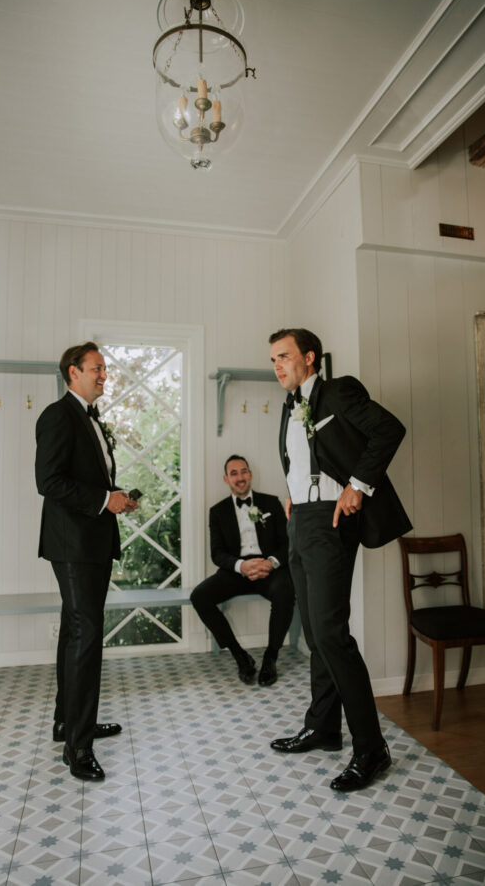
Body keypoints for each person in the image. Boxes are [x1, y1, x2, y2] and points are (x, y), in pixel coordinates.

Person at [268, 328, 411, 792]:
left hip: (331, 522)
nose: (278, 366)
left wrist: (358, 486)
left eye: (284, 356)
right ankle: (323, 728)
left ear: (309, 357)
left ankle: (371, 749)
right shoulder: (289, 405)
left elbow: (389, 429)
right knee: (315, 632)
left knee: (331, 633)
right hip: (299, 521)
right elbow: (301, 458)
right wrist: (292, 495)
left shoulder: (338, 391)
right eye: (273, 359)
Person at [35, 341, 138, 781]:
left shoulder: (91, 418)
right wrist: (102, 500)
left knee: (75, 632)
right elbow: (48, 481)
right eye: (97, 368)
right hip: (73, 544)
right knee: (86, 636)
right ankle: (78, 748)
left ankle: (68, 722)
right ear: (73, 372)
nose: (104, 375)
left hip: (91, 541)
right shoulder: (58, 416)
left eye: (105, 369)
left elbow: (87, 479)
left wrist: (115, 498)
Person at [191, 455, 294, 686]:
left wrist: (270, 562)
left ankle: (271, 657)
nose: (240, 477)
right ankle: (240, 656)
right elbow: (217, 553)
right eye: (234, 473)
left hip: (268, 567)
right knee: (199, 596)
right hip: (236, 570)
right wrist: (241, 566)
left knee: (286, 591)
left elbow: (287, 542)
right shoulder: (217, 511)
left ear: (250, 474)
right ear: (226, 479)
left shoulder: (271, 503)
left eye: (243, 471)